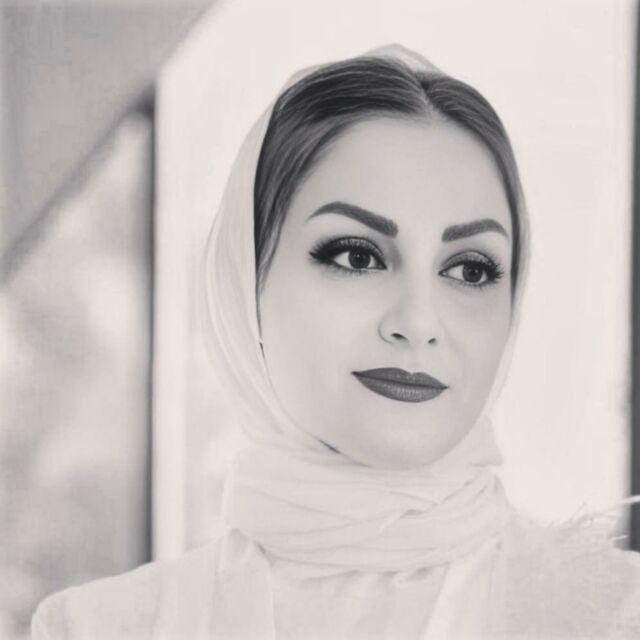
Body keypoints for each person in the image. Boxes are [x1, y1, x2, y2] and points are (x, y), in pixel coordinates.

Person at [32, 44, 640, 640]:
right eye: (357, 256)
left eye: (470, 269)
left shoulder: (617, 614)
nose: (418, 321)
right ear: (246, 280)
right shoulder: (96, 628)